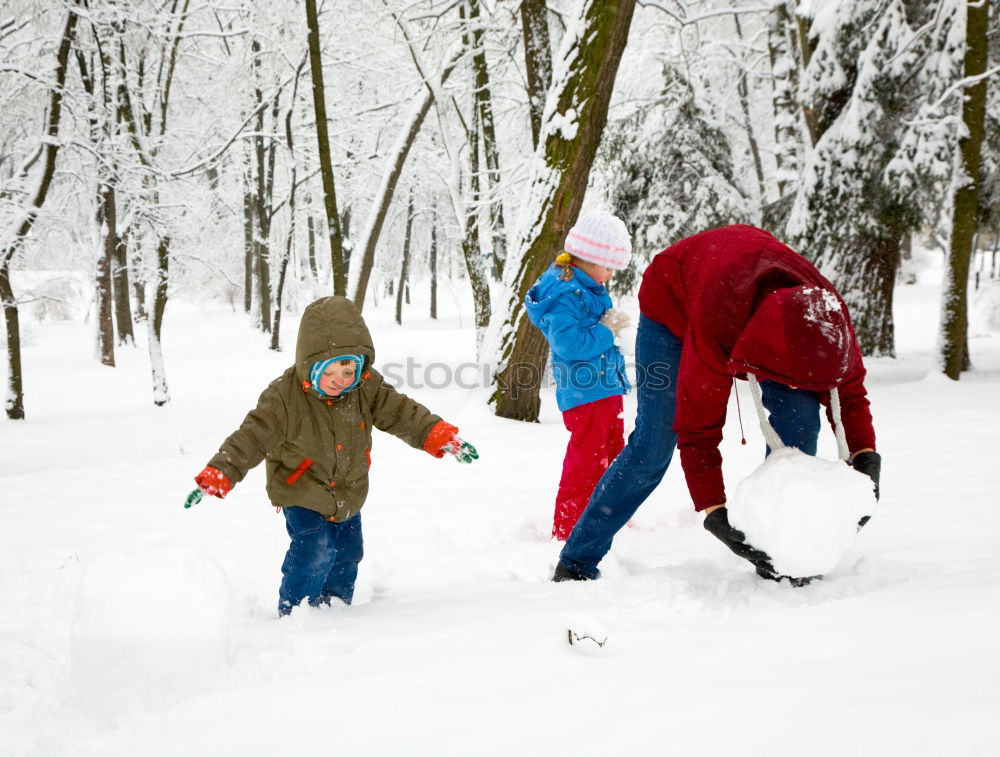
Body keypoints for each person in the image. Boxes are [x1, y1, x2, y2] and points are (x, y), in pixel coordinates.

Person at [552, 224, 882, 583]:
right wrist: (715, 511)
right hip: (675, 305)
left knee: (799, 422)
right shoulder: (717, 324)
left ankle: (783, 555)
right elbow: (698, 430)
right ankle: (577, 560)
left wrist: (866, 456)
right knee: (654, 444)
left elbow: (849, 395)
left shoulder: (828, 316)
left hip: (761, 302)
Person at [192, 296, 478, 616]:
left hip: (348, 489)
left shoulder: (364, 388)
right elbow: (252, 436)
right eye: (329, 371)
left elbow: (401, 413)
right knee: (314, 550)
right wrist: (222, 471)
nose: (340, 381)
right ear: (309, 363)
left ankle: (336, 609)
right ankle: (297, 611)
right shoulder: (284, 396)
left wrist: (438, 435)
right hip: (300, 486)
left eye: (348, 370)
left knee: (348, 552)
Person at [525, 211, 633, 540]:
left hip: (605, 387)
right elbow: (570, 345)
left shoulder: (586, 285)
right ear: (588, 258)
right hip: (586, 391)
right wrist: (607, 329)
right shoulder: (566, 293)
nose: (611, 275)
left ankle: (609, 519)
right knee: (587, 461)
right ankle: (568, 527)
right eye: (608, 267)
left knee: (613, 456)